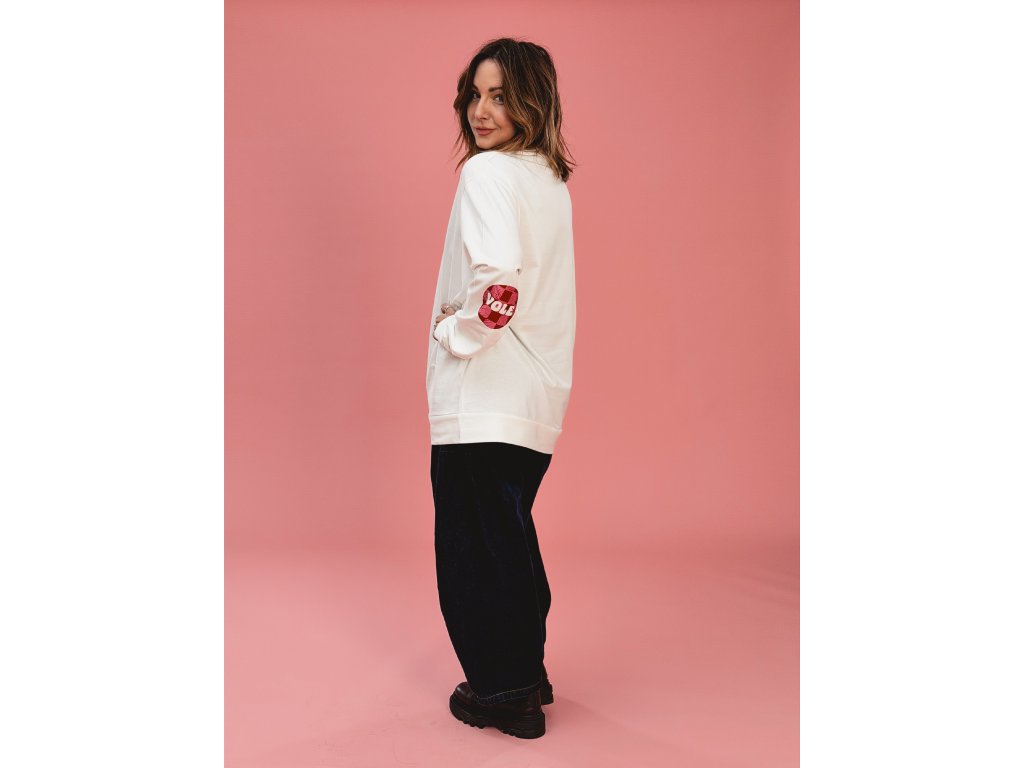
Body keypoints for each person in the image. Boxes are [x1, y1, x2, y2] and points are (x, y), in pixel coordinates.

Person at [426, 37, 577, 740]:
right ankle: (525, 673)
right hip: (534, 398)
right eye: (474, 94)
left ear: (532, 101)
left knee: (474, 551)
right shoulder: (546, 180)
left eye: (500, 96)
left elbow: (500, 289)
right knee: (508, 542)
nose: (480, 111)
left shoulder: (487, 173)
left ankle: (504, 692)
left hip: (485, 395)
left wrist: (453, 333)